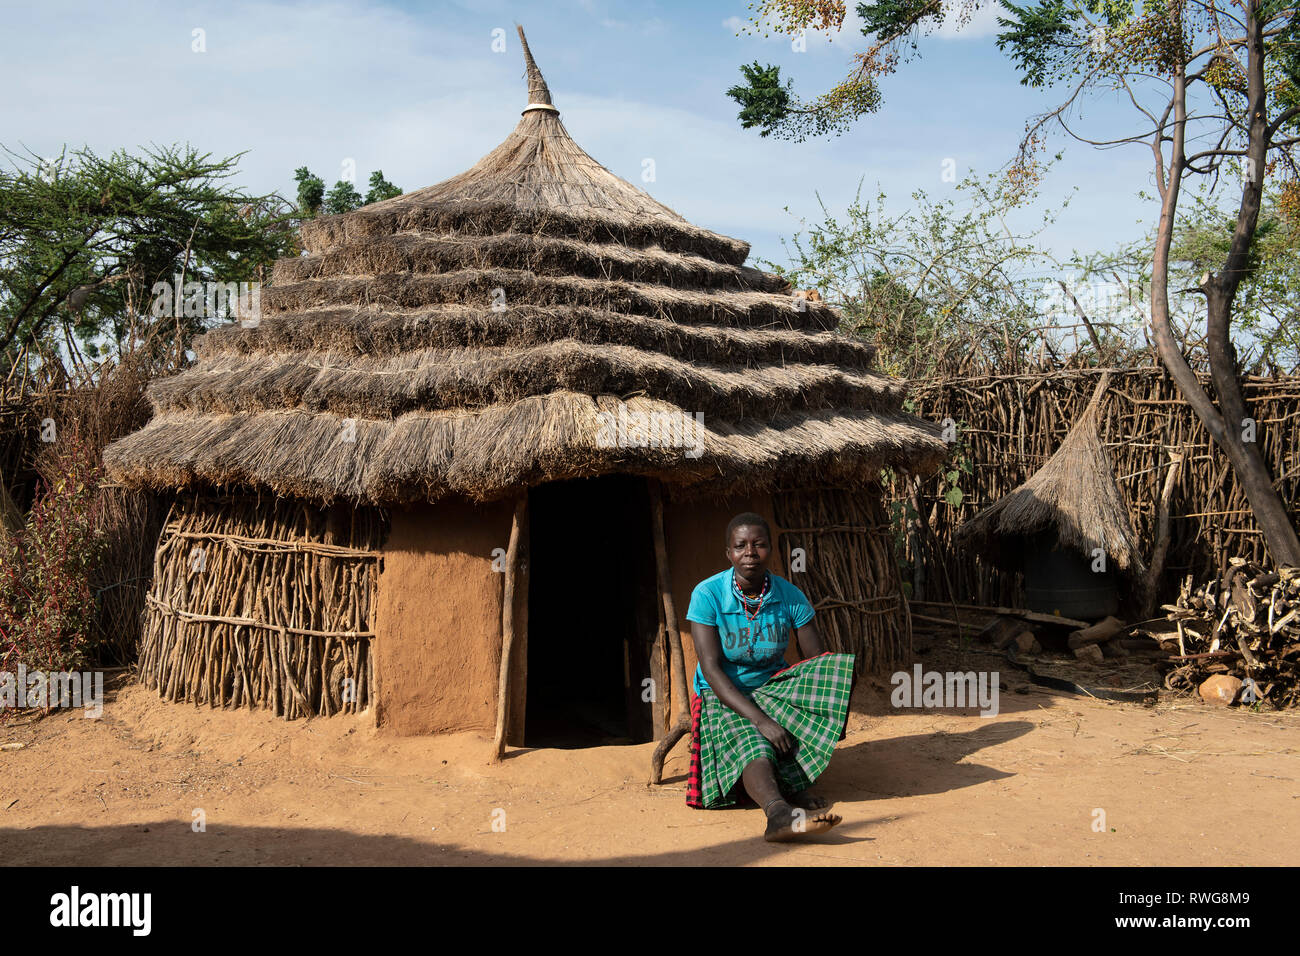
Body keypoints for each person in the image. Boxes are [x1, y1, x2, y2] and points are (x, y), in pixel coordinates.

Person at [684, 511, 855, 842]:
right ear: (728, 553)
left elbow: (818, 662)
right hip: (723, 692)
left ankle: (794, 785)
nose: (750, 553)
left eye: (759, 544)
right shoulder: (707, 595)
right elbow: (710, 667)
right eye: (740, 546)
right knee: (754, 740)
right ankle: (778, 812)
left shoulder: (789, 596)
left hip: (772, 688)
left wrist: (832, 711)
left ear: (771, 550)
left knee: (837, 672)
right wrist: (761, 719)